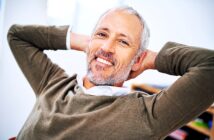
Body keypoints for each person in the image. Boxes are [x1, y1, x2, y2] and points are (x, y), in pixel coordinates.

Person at [7, 6, 214, 140]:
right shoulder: (52, 82)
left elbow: (210, 66)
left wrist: (150, 59)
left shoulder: (147, 115)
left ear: (138, 58)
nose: (107, 46)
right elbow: (17, 35)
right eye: (102, 34)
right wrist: (87, 43)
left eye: (123, 41)